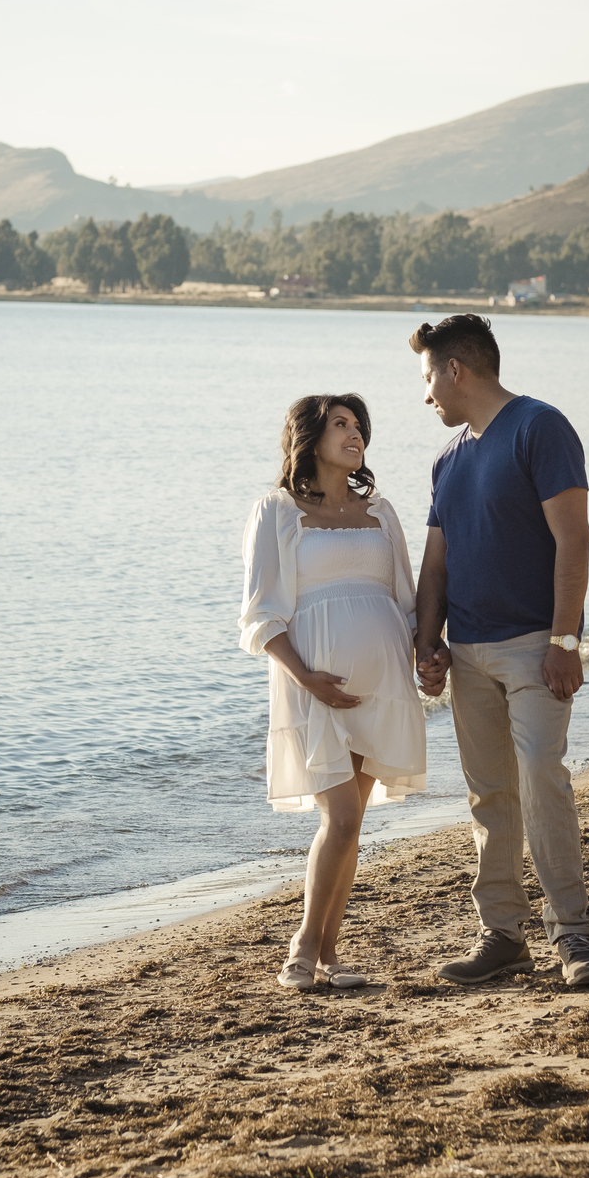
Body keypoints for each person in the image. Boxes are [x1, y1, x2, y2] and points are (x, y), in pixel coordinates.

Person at [410, 314, 589, 990]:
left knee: (539, 779)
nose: (426, 395)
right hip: (467, 653)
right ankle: (501, 936)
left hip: (534, 648)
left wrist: (565, 640)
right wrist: (426, 643)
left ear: (456, 370)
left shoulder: (539, 427)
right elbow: (436, 565)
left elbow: (575, 540)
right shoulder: (447, 460)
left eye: (428, 378)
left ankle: (574, 941)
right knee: (489, 795)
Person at [239, 393, 427, 992]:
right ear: (309, 438)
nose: (355, 435)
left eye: (359, 427)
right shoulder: (277, 510)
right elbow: (261, 615)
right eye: (340, 425)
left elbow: (407, 599)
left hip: (383, 684)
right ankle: (303, 946)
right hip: (314, 686)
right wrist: (305, 677)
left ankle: (328, 953)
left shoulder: (383, 514)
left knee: (352, 822)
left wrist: (429, 650)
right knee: (341, 818)